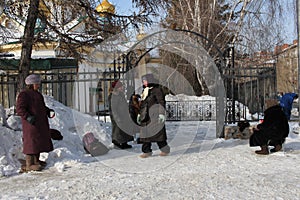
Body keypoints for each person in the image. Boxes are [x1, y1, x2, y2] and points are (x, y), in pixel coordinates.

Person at [16, 74, 54, 172]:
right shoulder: (24, 94)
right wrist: (28, 117)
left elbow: (41, 107)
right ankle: (29, 164)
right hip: (31, 124)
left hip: (39, 123)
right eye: (36, 83)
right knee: (31, 142)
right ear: (31, 84)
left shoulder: (38, 94)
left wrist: (48, 111)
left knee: (38, 142)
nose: (38, 85)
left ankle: (36, 161)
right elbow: (20, 108)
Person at [137, 73, 170, 158]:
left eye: (145, 81)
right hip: (145, 116)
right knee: (145, 135)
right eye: (143, 81)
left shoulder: (157, 90)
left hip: (154, 116)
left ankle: (165, 150)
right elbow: (143, 103)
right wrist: (139, 114)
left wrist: (161, 114)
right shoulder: (145, 90)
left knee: (158, 135)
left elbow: (161, 102)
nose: (143, 83)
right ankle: (146, 151)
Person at [108, 80, 134, 149]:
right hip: (118, 117)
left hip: (124, 116)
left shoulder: (121, 94)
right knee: (118, 131)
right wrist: (117, 118)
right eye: (120, 86)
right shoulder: (113, 96)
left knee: (125, 129)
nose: (122, 88)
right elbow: (113, 108)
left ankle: (124, 143)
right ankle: (117, 143)